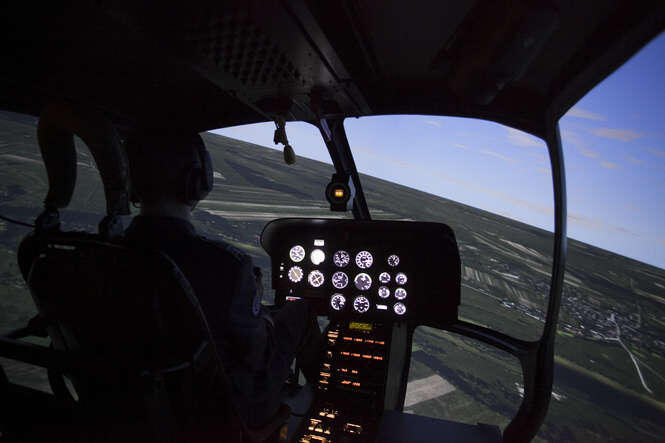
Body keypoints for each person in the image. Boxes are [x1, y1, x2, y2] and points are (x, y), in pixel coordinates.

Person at [122, 130, 321, 428]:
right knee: (300, 312)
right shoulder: (225, 265)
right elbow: (256, 354)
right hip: (219, 412)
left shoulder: (103, 254)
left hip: (136, 406)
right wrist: (260, 314)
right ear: (198, 181)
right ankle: (332, 401)